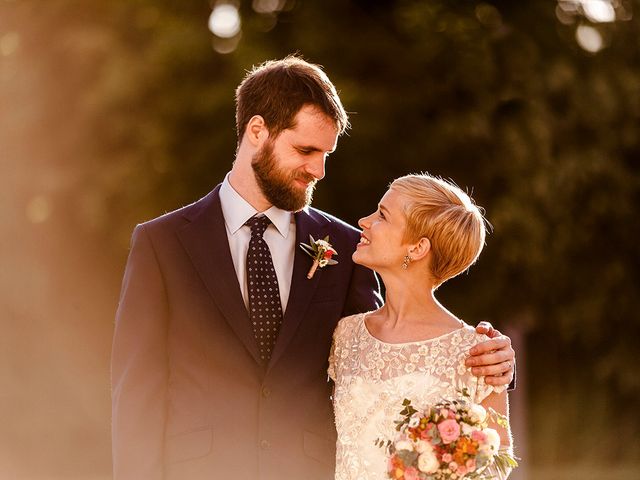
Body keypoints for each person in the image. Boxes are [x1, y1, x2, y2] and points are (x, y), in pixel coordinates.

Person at [111, 56, 515, 480]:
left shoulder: (344, 247)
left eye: (326, 154)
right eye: (305, 150)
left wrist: (494, 364)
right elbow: (136, 395)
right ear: (256, 131)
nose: (318, 170)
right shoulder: (162, 244)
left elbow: (389, 347)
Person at [329, 174, 514, 479]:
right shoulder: (346, 335)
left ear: (417, 248)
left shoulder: (478, 352)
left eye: (382, 216)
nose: (364, 221)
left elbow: (498, 460)